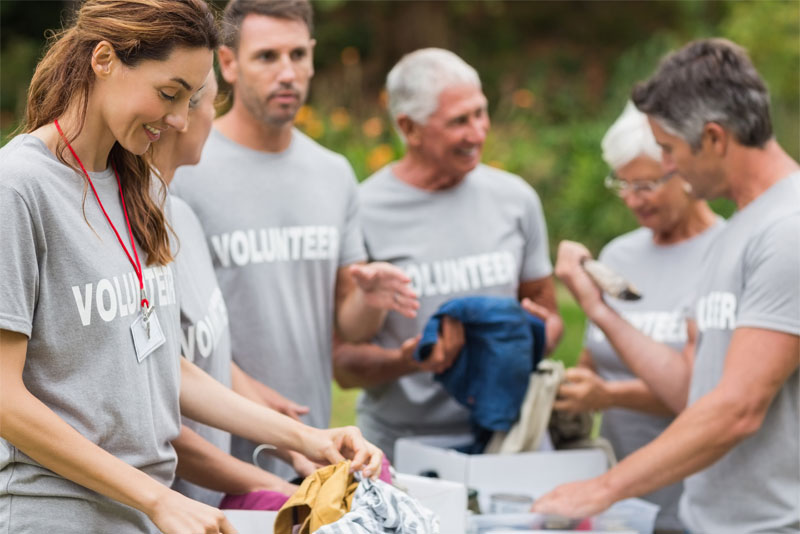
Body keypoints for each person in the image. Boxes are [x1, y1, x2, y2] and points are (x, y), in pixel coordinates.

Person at [0, 2, 381, 533]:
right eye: (168, 93)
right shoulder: (18, 188)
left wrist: (310, 439)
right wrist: (157, 500)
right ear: (104, 59)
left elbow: (164, 366)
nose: (179, 119)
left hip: (142, 514)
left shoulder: (138, 187)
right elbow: (4, 398)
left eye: (189, 99)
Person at [533, 38, 799, 533]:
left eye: (669, 150)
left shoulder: (788, 231)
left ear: (716, 138)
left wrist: (603, 489)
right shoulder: (739, 228)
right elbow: (691, 392)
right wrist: (599, 309)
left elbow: (737, 409)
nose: (667, 166)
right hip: (710, 520)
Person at [170, 0, 417, 480]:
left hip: (310, 451)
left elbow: (352, 328)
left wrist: (369, 299)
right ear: (228, 63)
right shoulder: (186, 165)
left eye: (298, 55)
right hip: (207, 455)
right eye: (267, 57)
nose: (287, 73)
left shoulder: (334, 173)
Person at [333, 48, 564, 459]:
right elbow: (344, 364)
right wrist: (409, 361)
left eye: (480, 113)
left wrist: (525, 335)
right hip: (401, 447)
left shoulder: (515, 199)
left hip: (507, 440)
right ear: (409, 127)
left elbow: (549, 319)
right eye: (459, 121)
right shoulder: (362, 208)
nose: (478, 133)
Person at [552, 101, 723, 533]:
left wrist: (609, 395)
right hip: (620, 499)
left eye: (644, 185)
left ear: (681, 169)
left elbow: (702, 391)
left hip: (693, 499)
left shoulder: (723, 253)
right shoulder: (618, 254)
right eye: (622, 185)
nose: (631, 199)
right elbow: (595, 359)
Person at [151, 72, 299, 506]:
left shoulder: (183, 217)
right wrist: (276, 485)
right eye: (213, 105)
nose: (214, 122)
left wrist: (299, 445)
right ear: (179, 114)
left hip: (213, 505)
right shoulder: (128, 236)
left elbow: (205, 353)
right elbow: (161, 423)